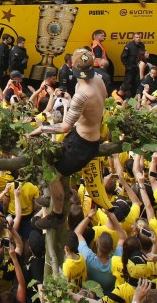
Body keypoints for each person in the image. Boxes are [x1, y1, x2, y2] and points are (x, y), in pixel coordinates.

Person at [31, 49, 106, 229]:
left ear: (73, 66)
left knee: (52, 174)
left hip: (84, 144)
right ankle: (52, 195)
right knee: (54, 154)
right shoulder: (99, 80)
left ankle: (56, 215)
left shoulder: (83, 94)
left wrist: (43, 128)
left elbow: (65, 126)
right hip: (82, 135)